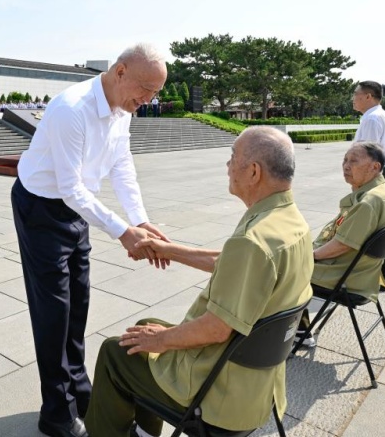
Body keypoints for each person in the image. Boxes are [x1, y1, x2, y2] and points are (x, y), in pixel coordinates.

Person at [84, 127, 313, 437]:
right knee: (145, 324)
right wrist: (171, 251)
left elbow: (217, 328)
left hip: (220, 394)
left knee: (117, 350)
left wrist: (161, 340)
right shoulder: (290, 222)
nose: (228, 166)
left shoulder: (254, 241)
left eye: (233, 158)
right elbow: (231, 263)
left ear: (254, 172)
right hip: (259, 386)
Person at [12, 43, 169, 437]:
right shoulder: (72, 109)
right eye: (145, 89)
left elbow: (121, 165)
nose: (148, 100)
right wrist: (123, 232)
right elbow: (70, 188)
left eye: (155, 93)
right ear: (119, 72)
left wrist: (140, 221)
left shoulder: (123, 109)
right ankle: (56, 413)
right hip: (42, 208)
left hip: (79, 209)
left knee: (77, 303)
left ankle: (80, 390)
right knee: (53, 312)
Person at [304, 142, 385, 335]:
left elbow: (342, 245)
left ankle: (295, 330)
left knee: (282, 269)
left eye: (353, 161)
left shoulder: (370, 202)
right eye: (345, 160)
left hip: (347, 276)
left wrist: (309, 256)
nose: (346, 166)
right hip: (363, 272)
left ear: (375, 167)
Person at [352, 81, 385, 185]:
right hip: (384, 171)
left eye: (355, 94)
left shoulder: (372, 119)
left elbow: (367, 154)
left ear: (368, 96)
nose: (353, 99)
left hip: (373, 175)